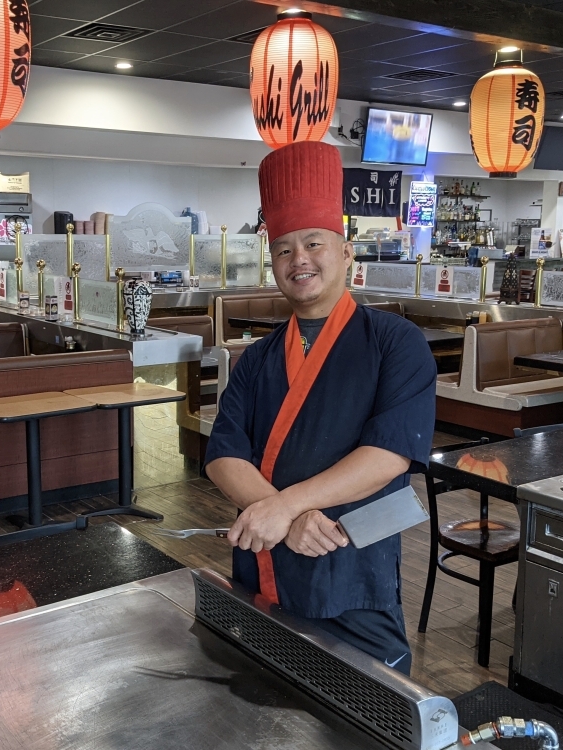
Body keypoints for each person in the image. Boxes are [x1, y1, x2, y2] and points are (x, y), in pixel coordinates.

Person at [204, 141, 436, 676]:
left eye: (313, 242)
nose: (298, 259)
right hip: (263, 560)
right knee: (261, 705)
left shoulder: (395, 342)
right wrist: (283, 521)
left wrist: (283, 509)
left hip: (354, 566)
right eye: (283, 249)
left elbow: (390, 455)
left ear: (347, 249)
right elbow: (224, 453)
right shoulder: (257, 357)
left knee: (367, 712)